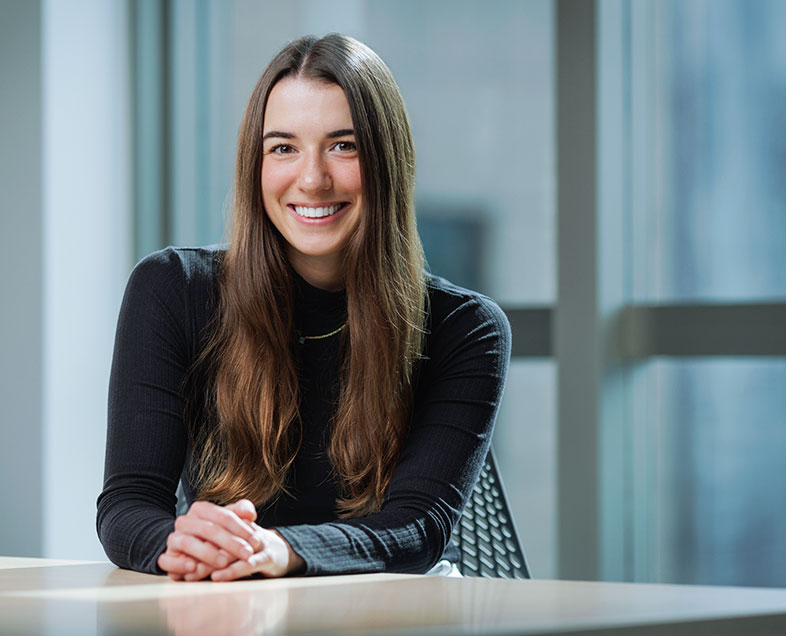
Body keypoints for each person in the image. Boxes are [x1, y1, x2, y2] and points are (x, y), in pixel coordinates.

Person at [97, 33, 511, 581]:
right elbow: (128, 504)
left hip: (389, 611)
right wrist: (180, 542)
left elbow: (418, 527)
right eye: (283, 147)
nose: (312, 180)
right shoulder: (173, 288)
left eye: (344, 146)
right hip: (226, 596)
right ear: (256, 165)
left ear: (388, 160)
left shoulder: (467, 329)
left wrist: (281, 552)